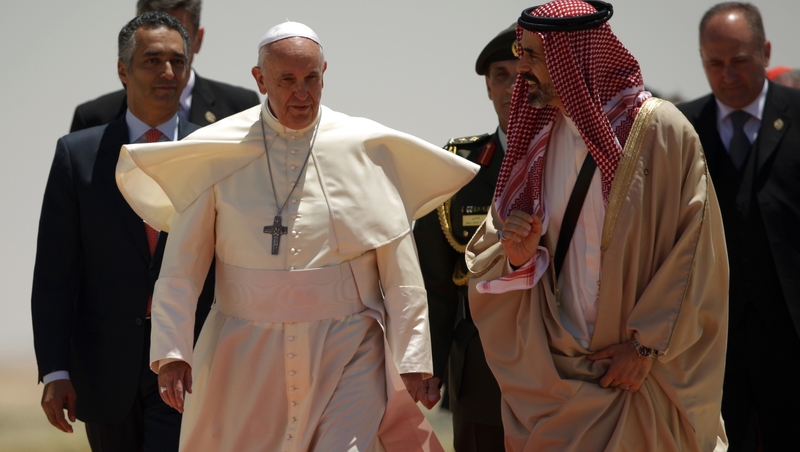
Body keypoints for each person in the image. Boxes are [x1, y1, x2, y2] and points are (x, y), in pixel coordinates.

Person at [115, 21, 479, 452]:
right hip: (245, 352)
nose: (301, 93)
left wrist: (414, 357)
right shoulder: (218, 149)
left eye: (312, 79)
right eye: (287, 81)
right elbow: (182, 269)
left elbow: (400, 270)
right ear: (260, 78)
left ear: (325, 71)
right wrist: (173, 351)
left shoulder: (364, 147)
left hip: (349, 347)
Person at [465, 1, 729, 451]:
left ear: (574, 58)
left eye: (532, 56)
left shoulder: (660, 131)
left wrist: (646, 348)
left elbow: (694, 251)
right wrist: (518, 257)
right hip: (556, 370)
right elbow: (494, 247)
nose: (522, 69)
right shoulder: (535, 134)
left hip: (637, 376)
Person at [32, 11, 215, 452]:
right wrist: (56, 371)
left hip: (189, 364)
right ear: (123, 70)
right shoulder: (78, 156)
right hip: (103, 371)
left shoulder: (213, 153)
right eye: (153, 60)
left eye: (177, 61)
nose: (167, 72)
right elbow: (56, 272)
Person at [677, 3, 800, 450]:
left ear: (765, 51)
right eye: (715, 63)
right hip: (712, 347)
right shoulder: (682, 129)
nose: (727, 74)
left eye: (739, 60)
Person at [414, 23, 517, 452]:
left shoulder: (586, 159)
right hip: (482, 367)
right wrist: (430, 365)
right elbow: (435, 284)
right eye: (501, 76)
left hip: (566, 362)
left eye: (525, 73)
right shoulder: (460, 166)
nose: (514, 88)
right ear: (488, 88)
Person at [70, 0, 260, 132]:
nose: (165, 41)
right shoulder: (93, 118)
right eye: (153, 32)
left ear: (198, 39)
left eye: (178, 32)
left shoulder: (241, 110)